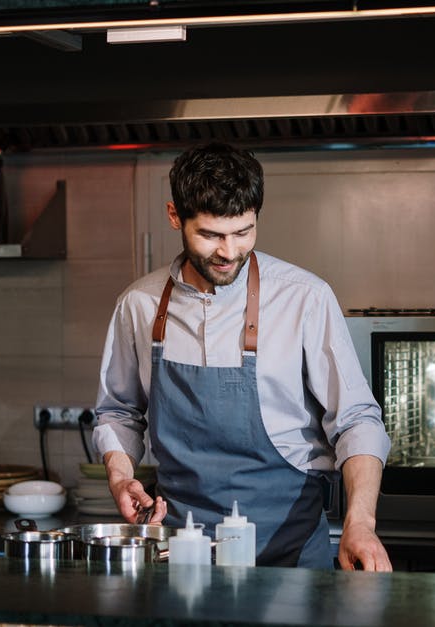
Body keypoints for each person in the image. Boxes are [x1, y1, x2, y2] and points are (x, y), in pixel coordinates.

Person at [93, 142, 392, 571]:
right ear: (175, 215)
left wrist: (359, 522)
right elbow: (118, 412)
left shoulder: (304, 297)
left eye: (243, 232)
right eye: (211, 235)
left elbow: (357, 420)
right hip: (180, 556)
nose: (229, 252)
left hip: (287, 557)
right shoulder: (139, 305)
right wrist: (121, 478)